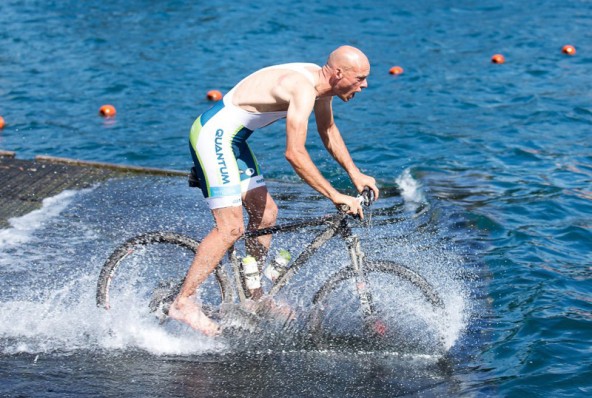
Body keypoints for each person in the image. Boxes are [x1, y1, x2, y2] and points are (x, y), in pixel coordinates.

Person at [168, 45, 380, 336]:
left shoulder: (320, 84)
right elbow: (294, 153)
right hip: (213, 135)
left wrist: (355, 174)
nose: (365, 84)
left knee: (266, 214)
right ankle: (184, 301)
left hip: (234, 140)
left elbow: (327, 129)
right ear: (338, 73)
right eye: (360, 78)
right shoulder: (302, 88)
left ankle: (253, 300)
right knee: (230, 228)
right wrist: (335, 195)